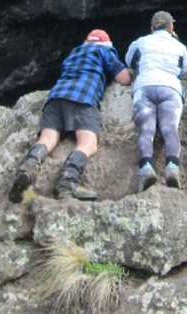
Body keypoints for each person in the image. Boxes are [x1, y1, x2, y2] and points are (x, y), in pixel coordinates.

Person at [8, 29, 131, 203]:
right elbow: (124, 78)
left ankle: (27, 170)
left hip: (55, 99)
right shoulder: (104, 51)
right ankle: (67, 184)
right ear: (105, 43)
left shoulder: (74, 53)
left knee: (47, 140)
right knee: (88, 143)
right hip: (83, 98)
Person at [125, 11, 187, 192]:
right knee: (170, 128)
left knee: (146, 129)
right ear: (171, 28)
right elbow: (184, 70)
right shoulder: (180, 47)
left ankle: (146, 167)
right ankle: (172, 168)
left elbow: (129, 61)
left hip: (144, 86)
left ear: (152, 27)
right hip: (170, 87)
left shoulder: (141, 42)